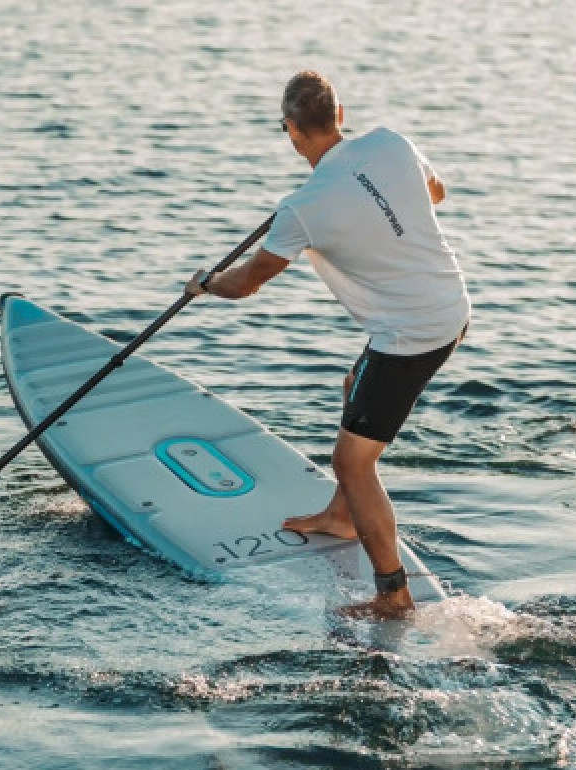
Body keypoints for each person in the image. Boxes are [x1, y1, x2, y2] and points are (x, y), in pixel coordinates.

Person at [185, 70, 470, 618]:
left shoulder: (302, 208)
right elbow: (437, 192)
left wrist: (205, 284)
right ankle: (343, 515)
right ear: (340, 116)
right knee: (354, 383)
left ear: (291, 130)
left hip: (410, 334)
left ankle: (393, 596)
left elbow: (244, 283)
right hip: (451, 307)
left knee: (352, 461)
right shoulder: (391, 143)